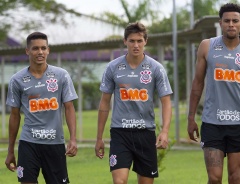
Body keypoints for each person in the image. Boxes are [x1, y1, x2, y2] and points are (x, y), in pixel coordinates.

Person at [187, 3, 240, 184]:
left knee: (235, 178)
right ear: (220, 23)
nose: (231, 24)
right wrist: (191, 118)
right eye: (227, 20)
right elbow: (197, 83)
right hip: (212, 122)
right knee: (214, 178)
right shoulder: (207, 46)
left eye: (235, 21)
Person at [95, 22, 173, 184]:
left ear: (146, 41)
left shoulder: (156, 68)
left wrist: (164, 131)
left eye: (139, 41)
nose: (136, 45)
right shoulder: (113, 67)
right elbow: (104, 103)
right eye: (132, 41)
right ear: (125, 41)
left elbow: (166, 101)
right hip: (120, 133)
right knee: (119, 181)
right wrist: (99, 137)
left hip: (145, 133)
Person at [5, 32, 78, 184]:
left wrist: (72, 139)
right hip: (28, 143)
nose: (40, 52)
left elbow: (69, 107)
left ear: (48, 50)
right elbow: (14, 115)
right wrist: (10, 150)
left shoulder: (61, 75)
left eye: (43, 48)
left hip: (55, 143)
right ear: (27, 51)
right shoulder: (16, 80)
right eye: (35, 48)